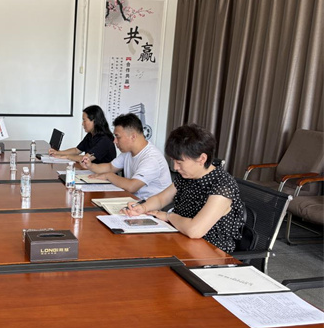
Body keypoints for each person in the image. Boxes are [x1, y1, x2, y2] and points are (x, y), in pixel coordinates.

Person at [125, 124, 244, 253]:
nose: (175, 167)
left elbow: (194, 230)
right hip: (181, 239)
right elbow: (161, 199)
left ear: (202, 159)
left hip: (210, 252)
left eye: (180, 162)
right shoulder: (187, 176)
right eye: (174, 161)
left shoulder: (223, 186)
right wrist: (142, 208)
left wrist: (168, 216)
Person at [80, 113, 171, 198]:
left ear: (133, 136)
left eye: (118, 137)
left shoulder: (151, 158)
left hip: (150, 205)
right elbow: (110, 167)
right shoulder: (128, 152)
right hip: (133, 201)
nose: (115, 141)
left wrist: (109, 176)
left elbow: (132, 186)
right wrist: (90, 165)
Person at [48, 105, 116, 164]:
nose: (82, 124)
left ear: (94, 121)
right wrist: (58, 152)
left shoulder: (105, 140)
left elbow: (86, 158)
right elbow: (76, 150)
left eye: (84, 120)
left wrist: (66, 157)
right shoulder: (90, 135)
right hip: (91, 171)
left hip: (103, 174)